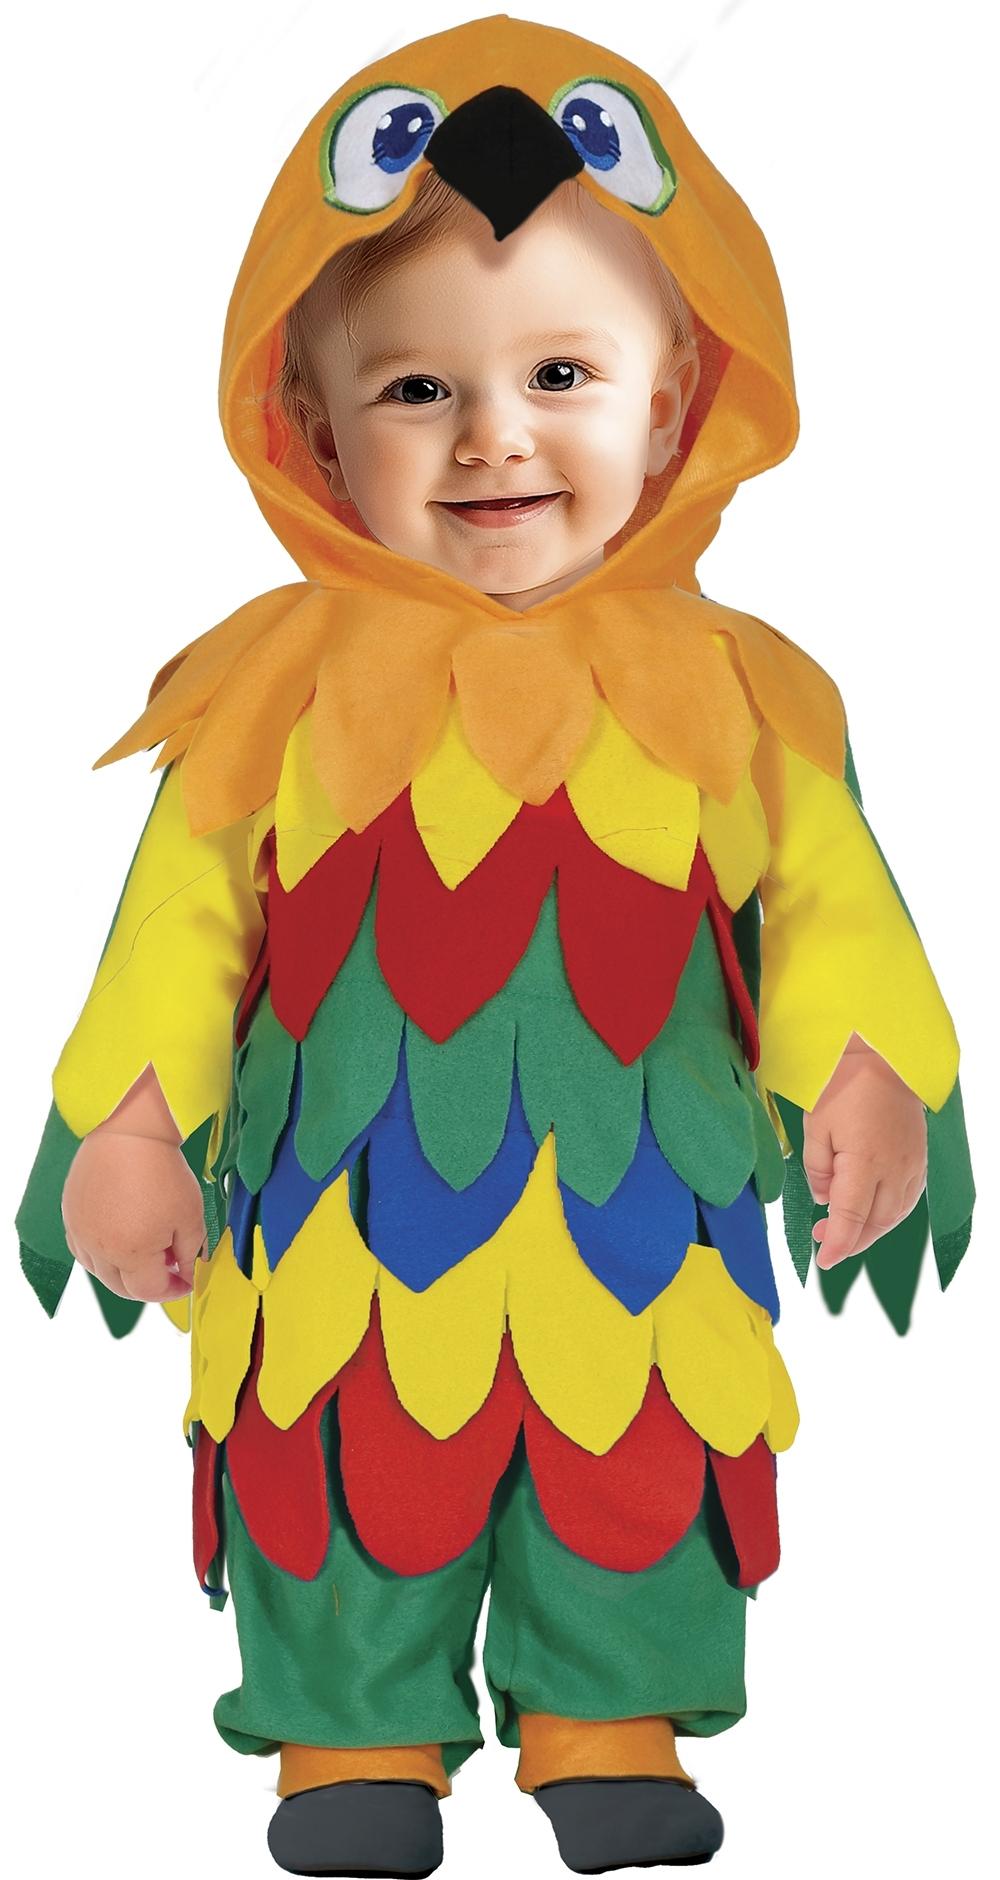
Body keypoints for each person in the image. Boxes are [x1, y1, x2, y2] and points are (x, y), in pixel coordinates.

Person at [15, 15, 975, 1878]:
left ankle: (610, 1717)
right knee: (334, 1431)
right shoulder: (269, 690)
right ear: (310, 425)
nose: (493, 437)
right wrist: (130, 1125)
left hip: (652, 1218)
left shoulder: (747, 692)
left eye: (561, 373)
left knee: (641, 1437)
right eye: (414, 388)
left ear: (677, 404)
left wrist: (867, 1075)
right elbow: (178, 933)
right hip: (330, 1214)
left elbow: (834, 909)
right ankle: (350, 1731)